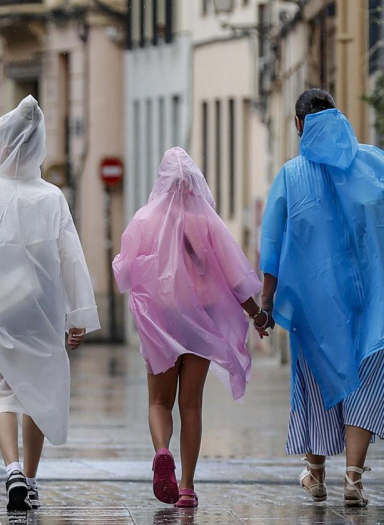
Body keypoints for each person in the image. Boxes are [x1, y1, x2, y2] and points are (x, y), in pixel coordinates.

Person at [256, 89, 384, 507]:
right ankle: (353, 480)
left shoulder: (291, 176)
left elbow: (273, 247)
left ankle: (315, 473)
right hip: (373, 303)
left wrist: (266, 304)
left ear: (298, 125)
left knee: (316, 386)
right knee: (366, 387)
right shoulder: (373, 164)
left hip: (315, 308)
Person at [0, 96, 99, 512]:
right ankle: (30, 479)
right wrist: (79, 314)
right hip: (42, 307)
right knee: (38, 388)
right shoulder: (50, 197)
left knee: (2, 386)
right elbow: (72, 257)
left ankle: (11, 468)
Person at [113, 147, 269, 508]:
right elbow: (235, 277)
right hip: (201, 321)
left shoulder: (144, 220)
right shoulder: (207, 222)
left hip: (160, 324)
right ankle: (186, 486)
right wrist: (256, 315)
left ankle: (162, 450)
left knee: (158, 401)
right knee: (191, 406)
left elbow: (122, 271)